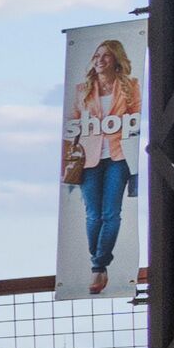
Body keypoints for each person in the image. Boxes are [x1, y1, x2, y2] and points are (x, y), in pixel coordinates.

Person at [65, 31, 141, 285]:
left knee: (111, 213)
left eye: (106, 56)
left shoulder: (130, 87)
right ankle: (97, 259)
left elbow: (137, 121)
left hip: (119, 159)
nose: (99, 60)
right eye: (97, 56)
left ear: (116, 60)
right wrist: (68, 161)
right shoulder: (82, 90)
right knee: (92, 215)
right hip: (89, 160)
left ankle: (99, 266)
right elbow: (72, 125)